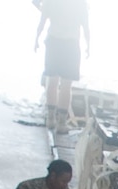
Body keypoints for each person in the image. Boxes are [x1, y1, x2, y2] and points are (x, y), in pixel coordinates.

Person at [34, 0, 89, 133]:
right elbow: (85, 25)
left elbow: (42, 19)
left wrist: (36, 38)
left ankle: (51, 119)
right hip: (71, 44)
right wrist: (89, 45)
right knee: (66, 85)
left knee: (52, 82)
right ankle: (61, 123)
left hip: (53, 41)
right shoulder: (80, 3)